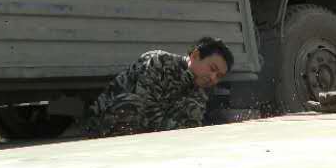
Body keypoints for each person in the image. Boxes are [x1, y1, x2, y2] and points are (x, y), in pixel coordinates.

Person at [80, 37, 235, 137]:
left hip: (145, 131)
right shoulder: (159, 62)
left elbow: (191, 128)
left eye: (219, 76)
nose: (213, 78)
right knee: (131, 103)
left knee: (191, 108)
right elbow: (148, 107)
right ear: (195, 55)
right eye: (212, 69)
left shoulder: (199, 93)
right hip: (101, 123)